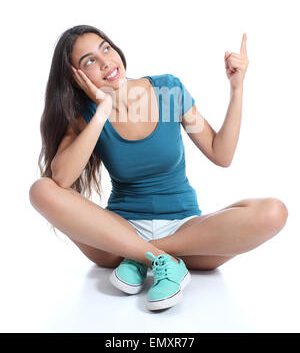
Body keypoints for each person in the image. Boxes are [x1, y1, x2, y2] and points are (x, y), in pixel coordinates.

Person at [29, 25, 288, 311]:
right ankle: (153, 257)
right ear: (76, 78)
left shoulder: (168, 92)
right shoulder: (85, 116)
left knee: (274, 212)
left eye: (105, 48)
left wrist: (236, 89)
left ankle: (144, 256)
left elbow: (220, 153)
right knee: (41, 189)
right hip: (119, 233)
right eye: (89, 61)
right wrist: (103, 109)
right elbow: (61, 179)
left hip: (185, 230)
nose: (105, 62)